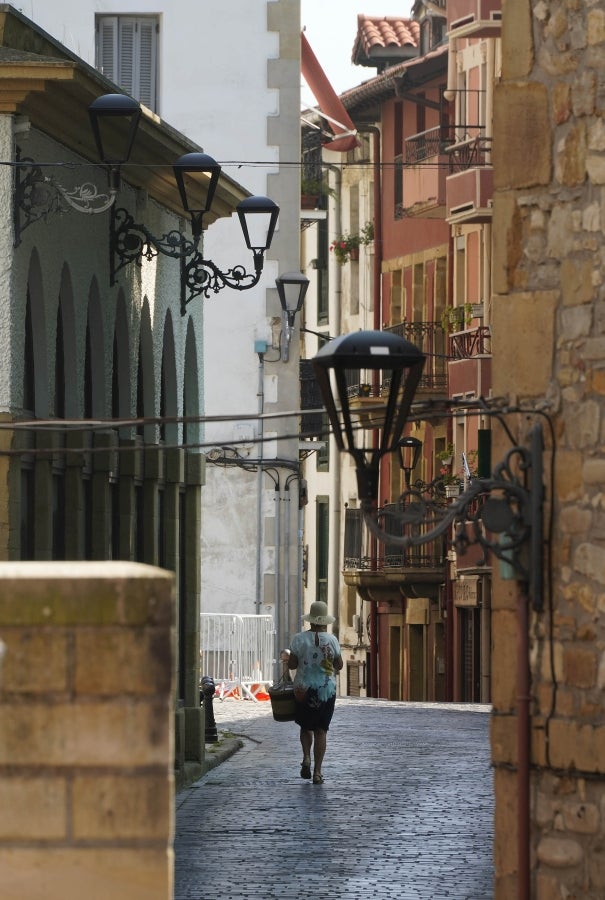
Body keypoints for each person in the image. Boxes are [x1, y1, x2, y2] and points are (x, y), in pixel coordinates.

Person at [280, 600, 343, 785]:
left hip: (303, 689)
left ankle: (306, 757)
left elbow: (292, 664)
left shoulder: (298, 639)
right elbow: (338, 665)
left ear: (310, 620)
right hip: (326, 689)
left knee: (305, 726)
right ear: (324, 621)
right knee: (321, 730)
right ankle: (317, 772)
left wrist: (292, 660)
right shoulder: (332, 640)